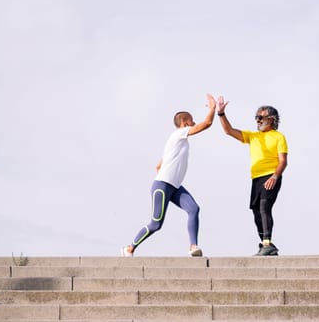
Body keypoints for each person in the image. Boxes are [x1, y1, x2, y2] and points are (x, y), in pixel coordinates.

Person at [122, 94, 216, 257]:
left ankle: (193, 247)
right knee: (156, 224)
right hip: (163, 185)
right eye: (191, 121)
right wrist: (213, 109)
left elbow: (158, 165)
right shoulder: (179, 133)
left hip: (174, 187)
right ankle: (129, 248)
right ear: (184, 123)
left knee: (194, 209)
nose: (193, 124)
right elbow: (206, 124)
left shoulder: (177, 142)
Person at [216, 96, 288, 256]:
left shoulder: (279, 137)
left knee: (264, 207)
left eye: (260, 117)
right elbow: (229, 131)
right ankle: (266, 244)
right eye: (256, 117)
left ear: (271, 119)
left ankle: (267, 243)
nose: (257, 120)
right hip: (256, 179)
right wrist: (221, 114)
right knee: (256, 211)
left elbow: (283, 161)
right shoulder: (253, 136)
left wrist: (275, 176)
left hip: (271, 176)